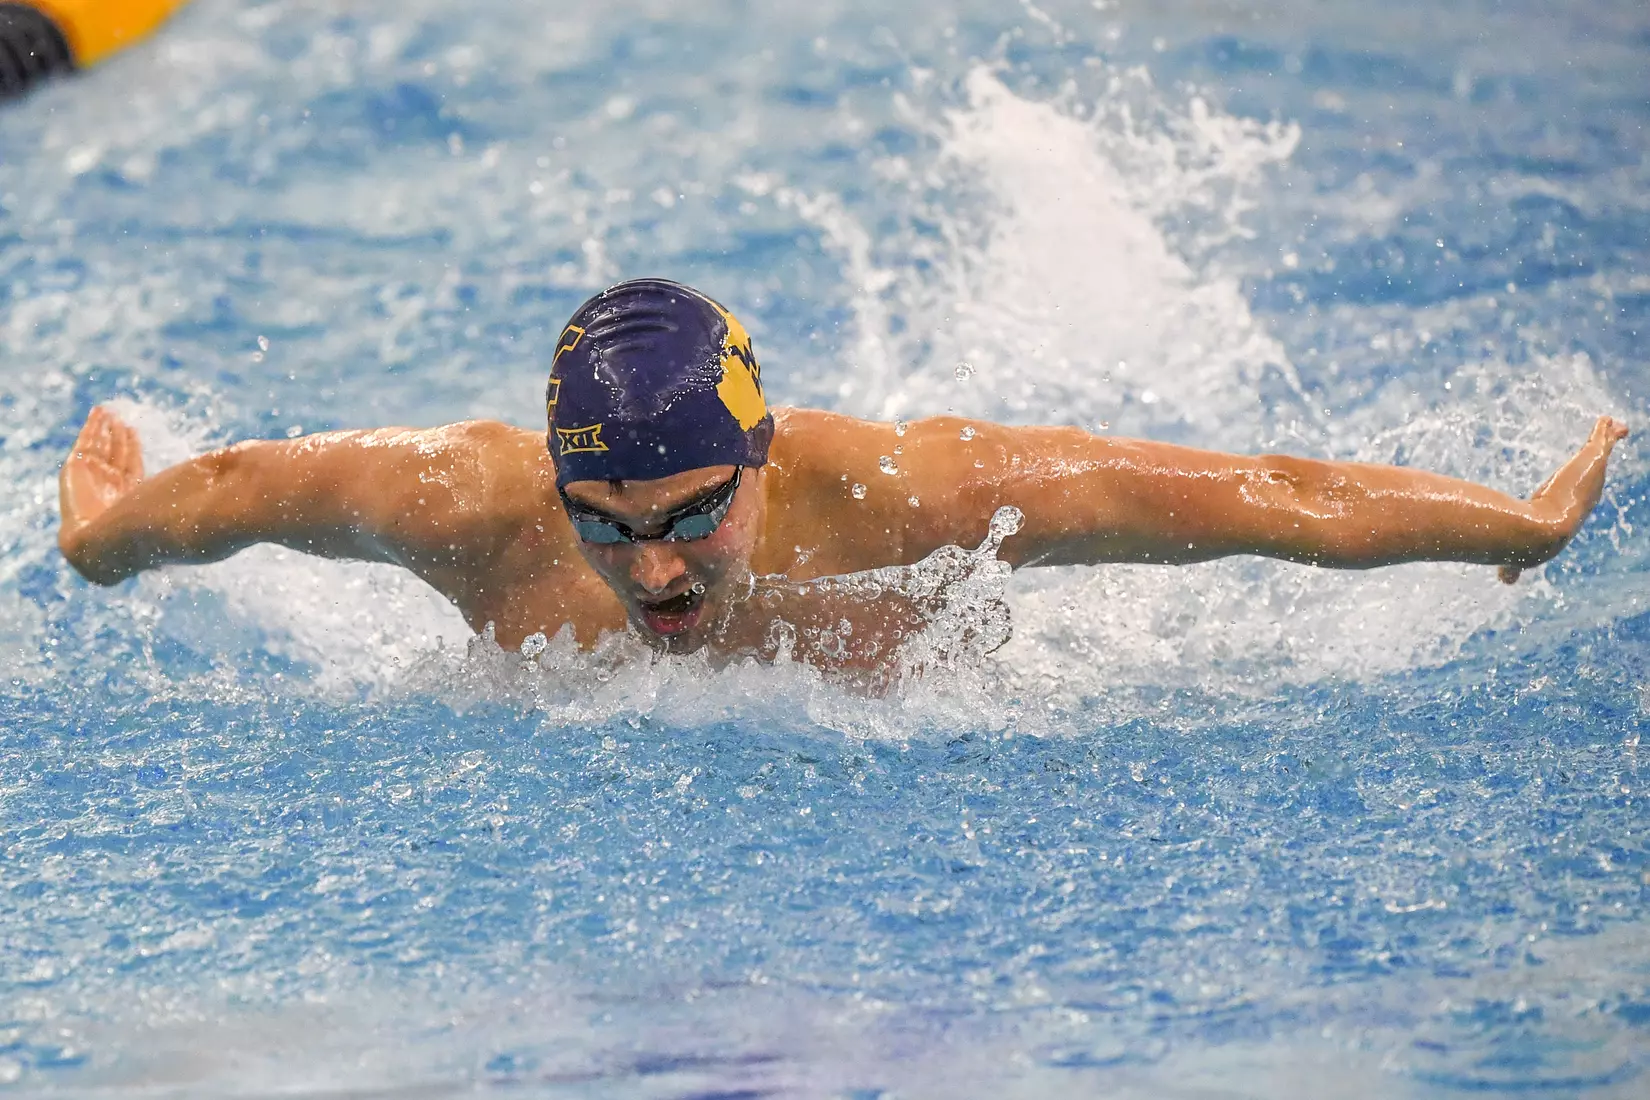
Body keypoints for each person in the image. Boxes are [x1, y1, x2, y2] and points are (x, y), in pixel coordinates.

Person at [58, 277, 1629, 677]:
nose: (653, 573)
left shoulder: (923, 496)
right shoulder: (462, 507)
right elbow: (233, 492)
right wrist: (96, 545)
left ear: (760, 447)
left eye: (688, 521)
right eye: (606, 532)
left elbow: (1265, 498)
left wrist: (1520, 523)